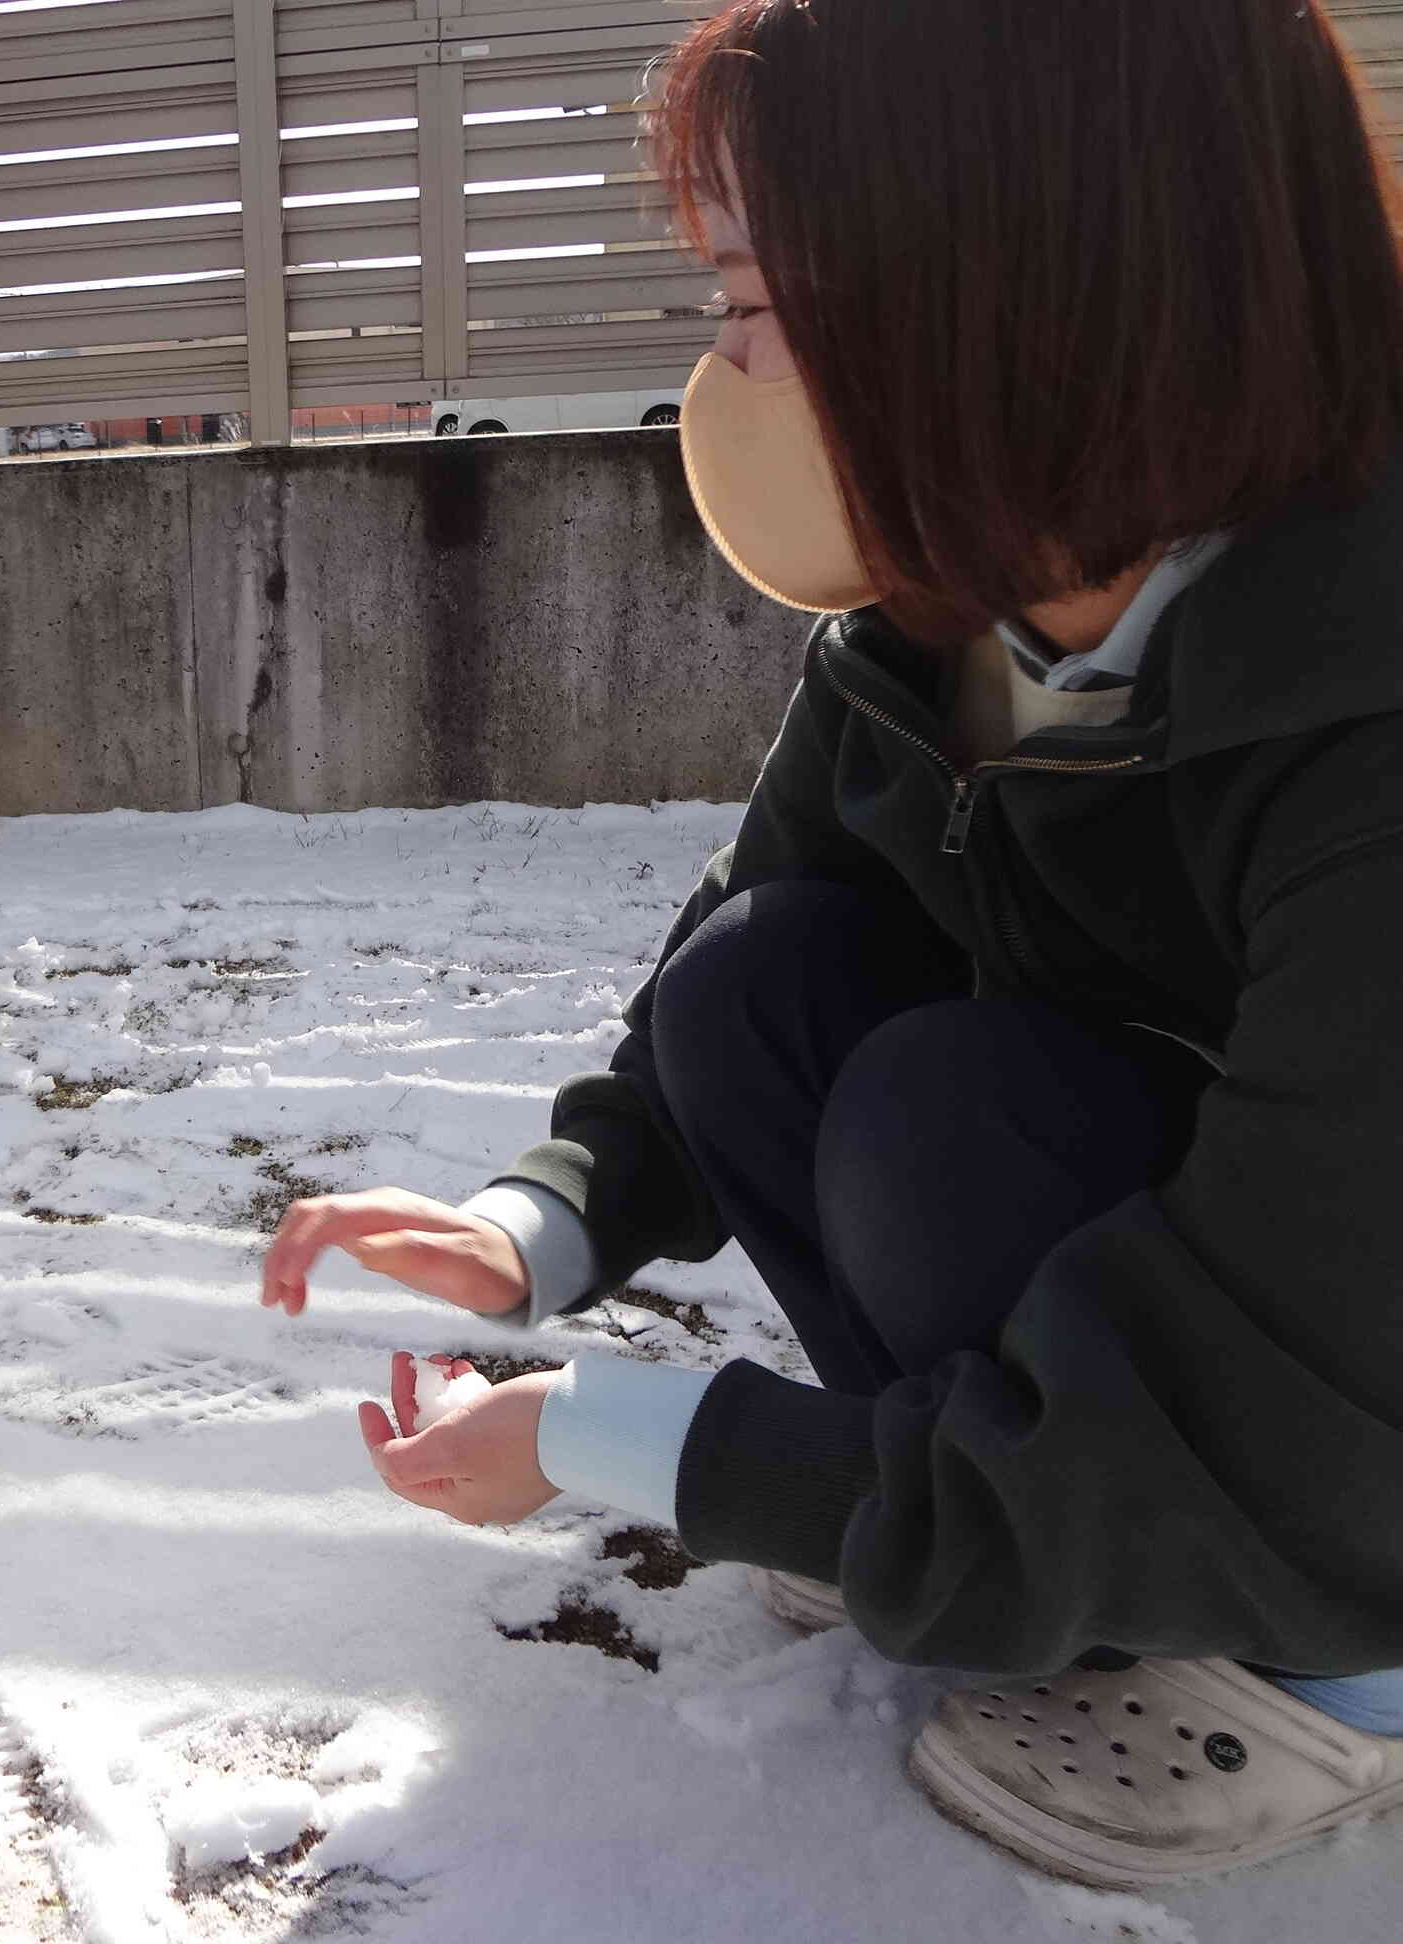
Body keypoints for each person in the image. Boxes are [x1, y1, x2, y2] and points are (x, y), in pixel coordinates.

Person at [260, 0, 1403, 1888]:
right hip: (1147, 1281)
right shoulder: (947, 620)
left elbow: (1306, 1377)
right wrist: (531, 1218)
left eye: (743, 302)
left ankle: (1334, 1676)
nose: (715, 375)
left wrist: (648, 1443)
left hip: (1338, 1450)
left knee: (945, 1109)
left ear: (1015, 287)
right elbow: (737, 938)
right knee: (765, 986)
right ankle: (982, 1513)